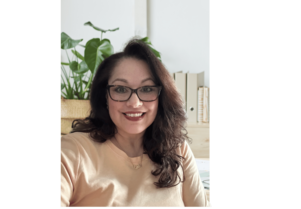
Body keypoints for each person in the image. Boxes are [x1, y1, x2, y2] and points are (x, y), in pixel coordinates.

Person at [59, 38, 212, 208]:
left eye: (146, 89)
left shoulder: (177, 148)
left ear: (160, 98)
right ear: (105, 96)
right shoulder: (71, 152)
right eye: (121, 89)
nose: (134, 102)